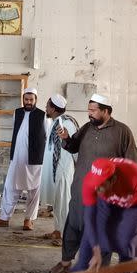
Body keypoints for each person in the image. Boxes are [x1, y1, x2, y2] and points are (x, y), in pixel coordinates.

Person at [49, 93, 137, 273]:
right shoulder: (87, 128)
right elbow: (73, 146)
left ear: (106, 111)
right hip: (81, 187)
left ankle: (100, 267)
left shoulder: (122, 132)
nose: (89, 114)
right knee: (73, 224)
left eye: (93, 110)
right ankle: (65, 262)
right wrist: (66, 137)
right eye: (88, 110)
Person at [72, 158, 137, 273]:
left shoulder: (136, 177)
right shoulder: (91, 183)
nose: (97, 189)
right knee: (92, 237)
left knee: (129, 242)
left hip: (132, 205)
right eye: (95, 186)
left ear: (113, 179)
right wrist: (96, 252)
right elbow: (89, 220)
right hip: (107, 202)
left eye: (101, 185)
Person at [0, 87, 46, 231]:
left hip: (35, 160)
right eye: (26, 99)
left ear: (36, 100)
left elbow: (47, 136)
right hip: (17, 158)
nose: (28, 102)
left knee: (33, 190)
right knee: (10, 187)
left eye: (31, 100)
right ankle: (4, 218)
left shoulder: (43, 115)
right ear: (23, 99)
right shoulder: (17, 112)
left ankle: (29, 220)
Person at [39, 94, 78, 245]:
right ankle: (58, 230)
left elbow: (73, 147)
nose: (46, 108)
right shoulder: (55, 121)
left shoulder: (66, 123)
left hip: (62, 168)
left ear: (53, 108)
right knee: (57, 202)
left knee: (64, 202)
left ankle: (66, 236)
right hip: (54, 169)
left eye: (47, 105)